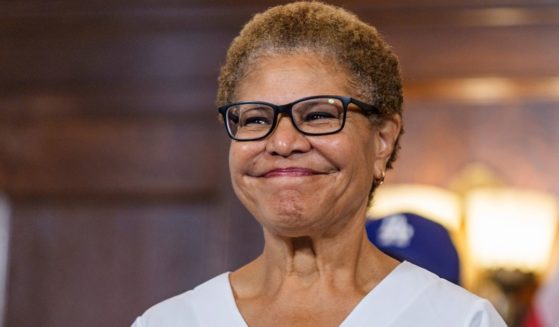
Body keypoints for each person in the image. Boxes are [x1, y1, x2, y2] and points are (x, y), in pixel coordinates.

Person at [132, 2, 506, 326]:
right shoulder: (168, 322)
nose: (282, 142)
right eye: (256, 119)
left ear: (382, 140)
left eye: (317, 116)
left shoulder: (459, 320)